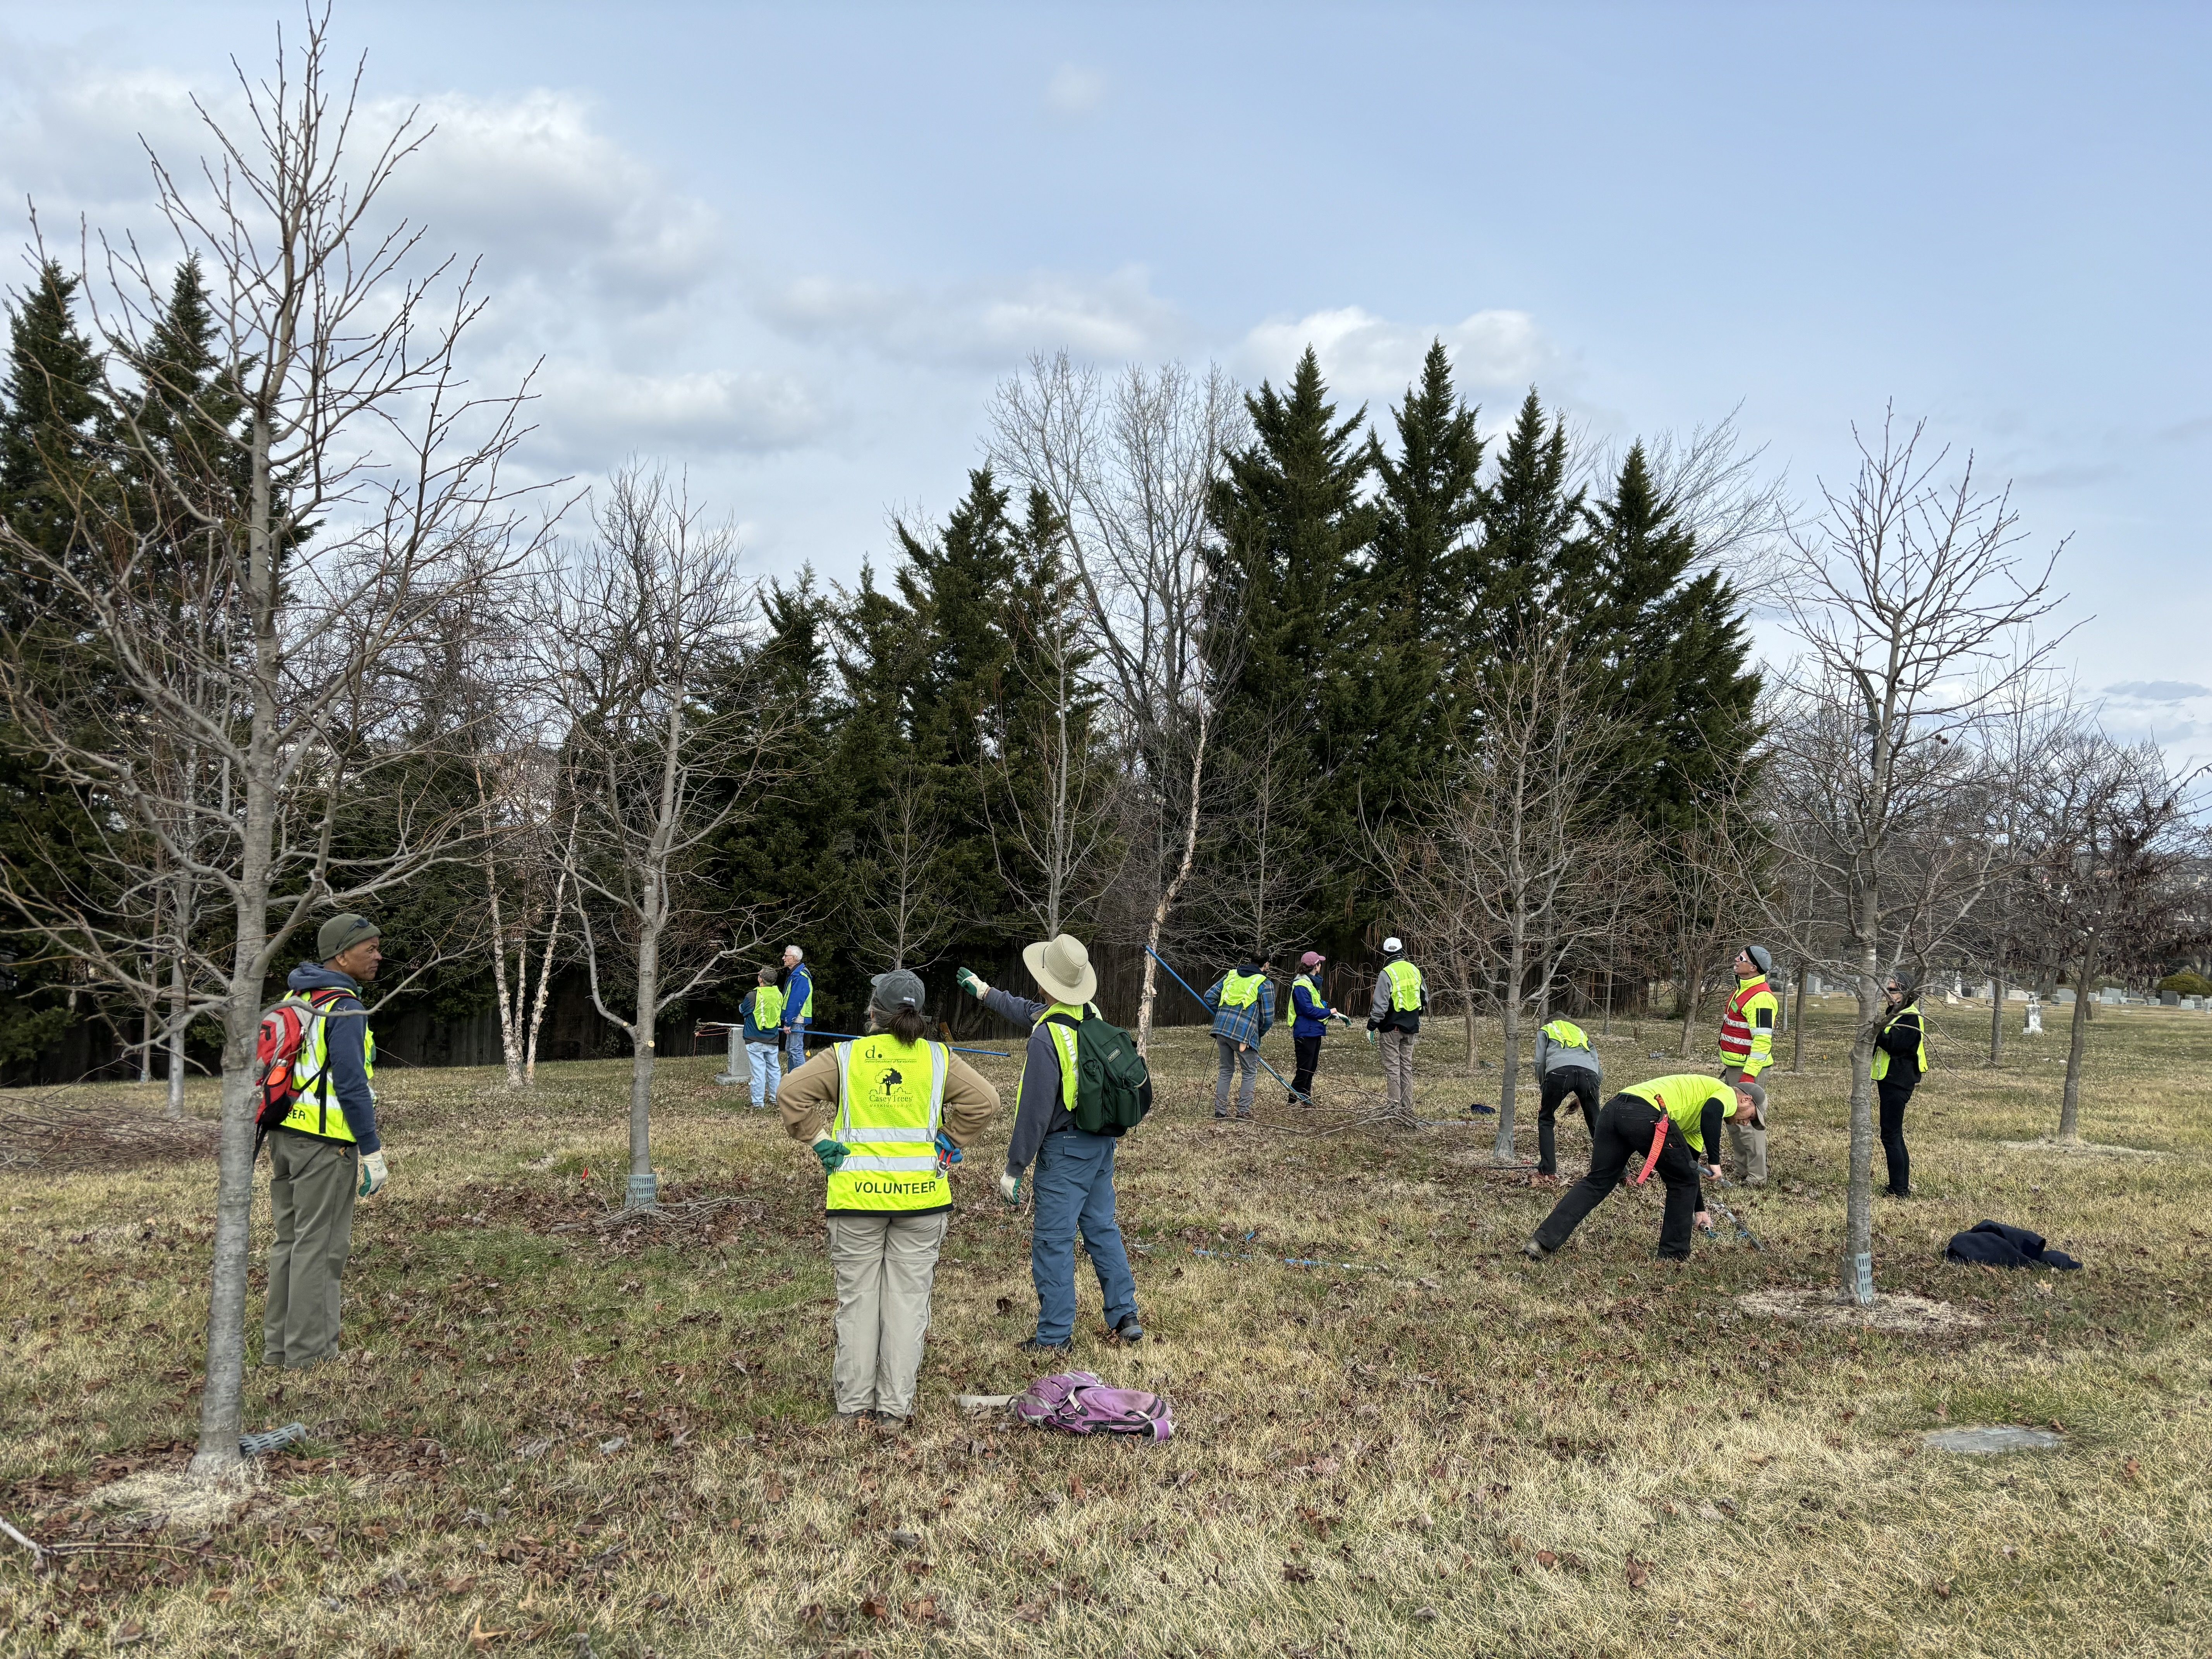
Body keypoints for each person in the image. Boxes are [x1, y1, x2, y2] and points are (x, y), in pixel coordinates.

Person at [779, 969, 999, 1423]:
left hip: (855, 1201)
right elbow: (986, 1101)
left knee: (858, 1302)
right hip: (922, 1201)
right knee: (907, 1303)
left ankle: (853, 1406)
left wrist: (819, 1140)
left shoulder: (845, 1057)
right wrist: (951, 1141)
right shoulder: (939, 1059)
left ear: (873, 1012)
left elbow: (791, 1092)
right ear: (918, 1013)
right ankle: (894, 1410)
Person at [957, 933, 1145, 1353]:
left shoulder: (1046, 1040)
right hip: (1101, 1145)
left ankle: (1055, 1337)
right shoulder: (1088, 1012)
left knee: (1053, 1243)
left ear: (1045, 981)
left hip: (1064, 1153)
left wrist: (1014, 1167)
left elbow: (1034, 1112)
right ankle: (1125, 1315)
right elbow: (1032, 1014)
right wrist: (987, 993)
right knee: (1102, 1229)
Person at [263, 913, 390, 1370]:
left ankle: (278, 1350)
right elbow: (352, 1085)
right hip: (327, 1145)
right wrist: (372, 1150)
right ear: (341, 955)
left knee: (290, 1243)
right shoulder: (345, 1007)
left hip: (284, 1136)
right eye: (369, 948)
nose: (378, 956)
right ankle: (310, 1357)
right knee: (322, 1248)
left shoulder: (296, 997)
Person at [1521, 1073, 1761, 1263]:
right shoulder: (1726, 1094)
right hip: (1646, 1114)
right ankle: (1673, 1256)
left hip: (1614, 1109)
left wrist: (1699, 1210)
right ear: (1746, 1100)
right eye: (1752, 1117)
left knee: (1598, 1181)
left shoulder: (1696, 1120)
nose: (1747, 1123)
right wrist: (1716, 1162)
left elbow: (1688, 1166)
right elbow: (1712, 1112)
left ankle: (1541, 1243)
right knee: (1682, 1181)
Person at [1716, 945, 1779, 1185]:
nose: (1735, 960)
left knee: (1749, 1122)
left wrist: (1750, 1076)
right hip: (1735, 1067)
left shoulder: (1761, 997)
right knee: (1733, 1119)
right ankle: (1742, 1169)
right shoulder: (1742, 989)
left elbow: (1762, 1042)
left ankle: (1756, 1176)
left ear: (1753, 968)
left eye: (1741, 958)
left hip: (1747, 1071)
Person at [1874, 973, 1929, 1198]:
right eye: (1888, 989)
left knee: (1891, 1136)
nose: (1890, 994)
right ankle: (1899, 1186)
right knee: (1892, 1135)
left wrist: (1877, 1031)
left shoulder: (1911, 1018)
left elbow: (1896, 1046)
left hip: (1899, 1081)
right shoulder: (1895, 1013)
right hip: (1889, 1079)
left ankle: (1899, 1190)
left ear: (1907, 993)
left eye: (1894, 990)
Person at [1202, 950, 1276, 1121]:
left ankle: (1220, 1112)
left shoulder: (1232, 975)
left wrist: (1222, 1014)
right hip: (1244, 1035)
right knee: (1250, 1072)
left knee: (1226, 1070)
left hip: (1221, 1030)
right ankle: (1243, 1112)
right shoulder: (1265, 984)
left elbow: (1209, 996)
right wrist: (1258, 1034)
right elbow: (1268, 1018)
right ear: (1266, 964)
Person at [1533, 1017, 1603, 1184]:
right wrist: (1586, 1095)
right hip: (1589, 1074)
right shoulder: (1581, 1033)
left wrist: (1545, 1089)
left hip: (1558, 1072)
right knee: (1598, 1124)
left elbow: (1539, 1061)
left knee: (1546, 1118)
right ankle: (1621, 1173)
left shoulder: (1547, 1029)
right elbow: (1597, 1066)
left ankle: (1548, 1172)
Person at [1368, 936, 1424, 1128]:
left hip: (1391, 1028)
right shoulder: (1415, 970)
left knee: (1393, 1068)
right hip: (1411, 1028)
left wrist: (1372, 1025)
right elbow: (1424, 998)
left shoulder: (1387, 973)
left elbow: (1381, 1004)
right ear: (1402, 951)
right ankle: (1407, 1109)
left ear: (1386, 954)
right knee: (1406, 1067)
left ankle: (1394, 1111)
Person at [1286, 951, 1350, 1105]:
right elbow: (1308, 1009)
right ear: (1315, 967)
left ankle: (1306, 1099)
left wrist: (1331, 1011)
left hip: (1314, 1030)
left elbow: (1317, 1003)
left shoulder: (1310, 982)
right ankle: (1291, 1101)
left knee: (1311, 1068)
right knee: (1304, 1069)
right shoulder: (1301, 985)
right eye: (1319, 963)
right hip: (1305, 1032)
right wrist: (1328, 1012)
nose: (1321, 966)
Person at [738, 965, 785, 1110]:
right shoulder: (779, 994)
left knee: (758, 1071)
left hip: (754, 1039)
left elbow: (743, 1010)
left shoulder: (753, 995)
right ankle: (776, 1098)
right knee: (774, 1069)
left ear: (760, 979)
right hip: (772, 1038)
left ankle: (758, 1103)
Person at [780, 945, 814, 1073]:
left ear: (794, 958)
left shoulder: (800, 976)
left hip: (797, 1018)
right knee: (790, 1049)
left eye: (786, 956)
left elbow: (796, 1001)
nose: (783, 958)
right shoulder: (795, 974)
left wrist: (789, 1022)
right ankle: (792, 1078)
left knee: (795, 1050)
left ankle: (803, 1079)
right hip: (795, 1018)